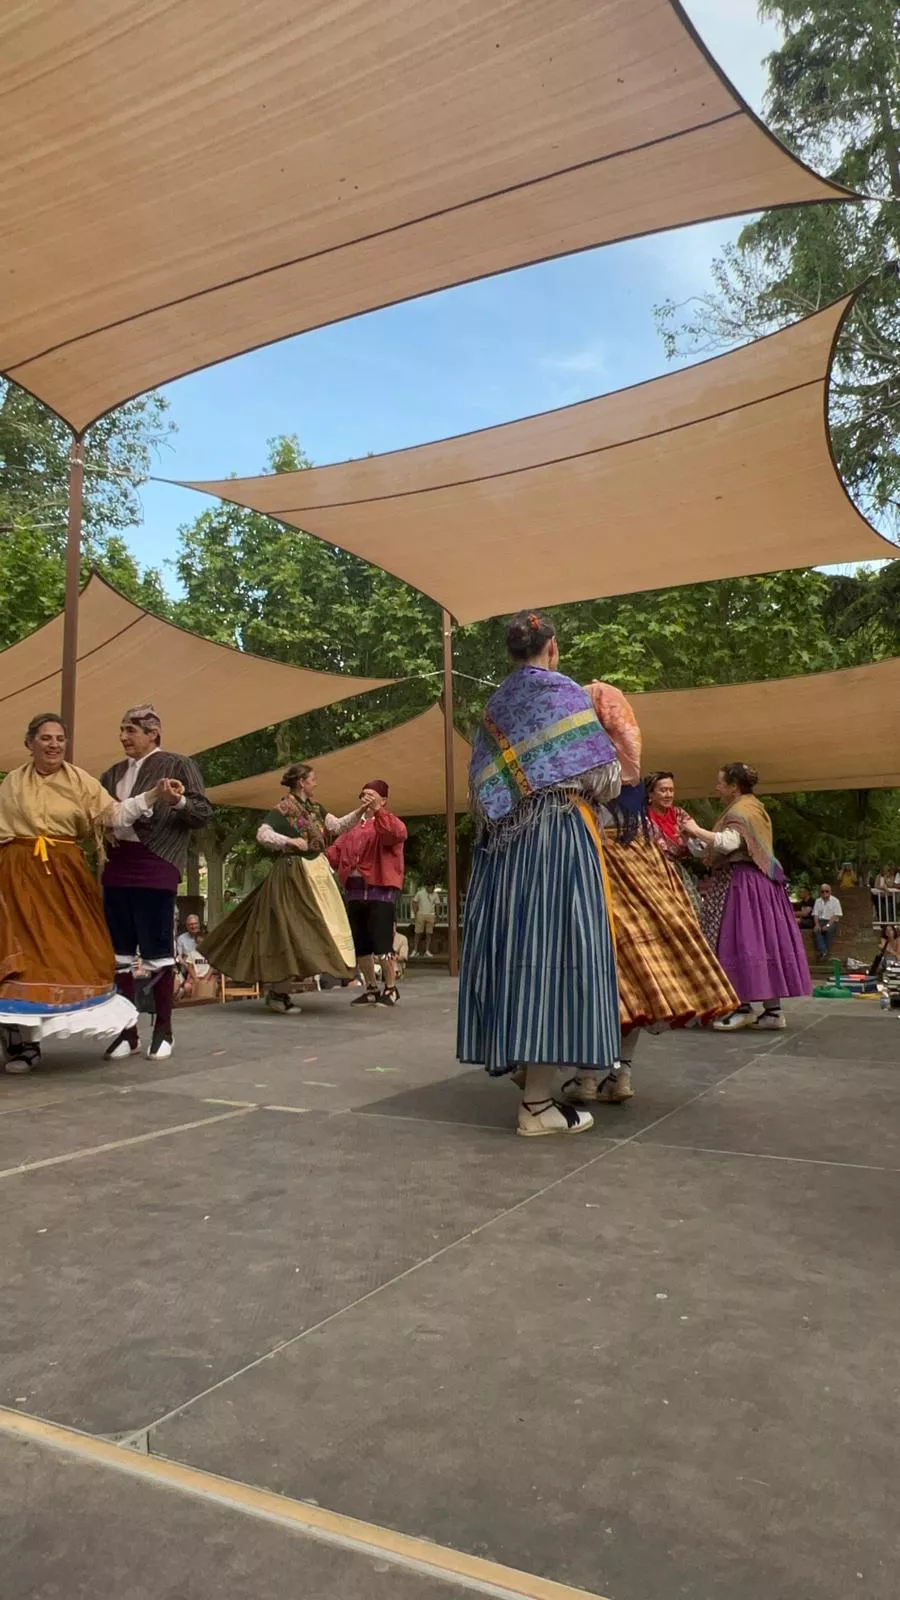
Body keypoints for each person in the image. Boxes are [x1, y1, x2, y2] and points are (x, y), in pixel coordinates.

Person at [457, 611, 622, 1136]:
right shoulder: (565, 691)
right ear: (550, 646)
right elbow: (606, 775)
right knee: (557, 948)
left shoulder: (495, 705)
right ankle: (536, 1105)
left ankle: (527, 1071)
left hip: (503, 846)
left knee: (512, 948)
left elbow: (485, 785)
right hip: (557, 835)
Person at [556, 683, 738, 1106]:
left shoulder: (577, 765)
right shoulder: (630, 769)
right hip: (644, 871)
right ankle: (619, 1074)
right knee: (642, 975)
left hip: (591, 865)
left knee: (599, 975)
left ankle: (585, 1076)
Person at [0, 714, 181, 1073]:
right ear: (29, 744)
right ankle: (23, 1043)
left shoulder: (80, 781)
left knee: (66, 953)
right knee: (19, 956)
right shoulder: (11, 784)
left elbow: (113, 815)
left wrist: (153, 795)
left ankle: (139, 1030)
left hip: (64, 876)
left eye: (60, 738)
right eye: (46, 738)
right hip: (16, 874)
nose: (54, 744)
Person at [202, 763, 364, 1011]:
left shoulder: (316, 808)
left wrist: (361, 810)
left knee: (314, 928)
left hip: (316, 875)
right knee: (287, 929)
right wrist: (289, 840)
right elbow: (262, 834)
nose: (316, 783)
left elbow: (337, 826)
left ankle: (281, 991)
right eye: (313, 779)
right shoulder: (284, 808)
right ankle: (277, 993)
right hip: (291, 875)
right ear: (301, 782)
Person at [99, 705, 212, 1062]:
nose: (123, 737)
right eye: (121, 729)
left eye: (131, 730)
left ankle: (163, 1029)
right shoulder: (111, 773)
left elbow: (202, 814)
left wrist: (177, 799)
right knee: (118, 954)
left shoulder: (179, 764)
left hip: (156, 863)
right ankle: (126, 1032)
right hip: (117, 863)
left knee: (157, 953)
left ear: (153, 733)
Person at [681, 762, 811, 1030]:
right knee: (762, 941)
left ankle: (743, 1007)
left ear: (733, 786)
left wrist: (695, 829)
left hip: (744, 884)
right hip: (758, 884)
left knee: (740, 940)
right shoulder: (751, 806)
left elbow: (730, 843)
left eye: (720, 783)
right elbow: (719, 843)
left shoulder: (742, 810)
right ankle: (772, 1012)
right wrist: (691, 841)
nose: (717, 788)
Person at [327, 780, 408, 1008]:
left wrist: (378, 811)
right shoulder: (351, 829)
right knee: (361, 945)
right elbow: (334, 853)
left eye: (372, 796)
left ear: (383, 800)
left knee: (382, 945)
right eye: (364, 795)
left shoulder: (389, 823)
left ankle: (391, 988)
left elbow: (395, 834)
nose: (367, 800)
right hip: (354, 893)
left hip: (379, 892)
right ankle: (371, 988)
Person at [644, 769, 703, 915]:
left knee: (689, 914)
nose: (668, 795)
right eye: (663, 790)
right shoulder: (642, 817)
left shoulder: (679, 814)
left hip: (677, 872)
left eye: (671, 790)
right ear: (651, 794)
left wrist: (692, 836)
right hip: (652, 873)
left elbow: (698, 839)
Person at [811, 883, 843, 959]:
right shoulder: (818, 901)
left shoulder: (835, 901)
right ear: (820, 892)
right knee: (816, 931)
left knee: (828, 931)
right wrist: (817, 924)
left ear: (830, 891)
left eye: (826, 891)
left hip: (832, 921)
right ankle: (824, 951)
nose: (824, 893)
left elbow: (836, 915)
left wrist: (827, 925)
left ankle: (823, 952)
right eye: (822, 891)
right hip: (821, 921)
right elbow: (815, 914)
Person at [411, 883, 437, 959]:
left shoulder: (435, 894)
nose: (432, 889)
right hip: (421, 914)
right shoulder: (420, 893)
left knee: (429, 933)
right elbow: (414, 902)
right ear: (427, 887)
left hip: (431, 914)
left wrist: (437, 915)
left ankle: (427, 950)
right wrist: (415, 914)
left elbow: (437, 904)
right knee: (417, 933)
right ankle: (415, 950)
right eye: (431, 888)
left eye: (433, 888)